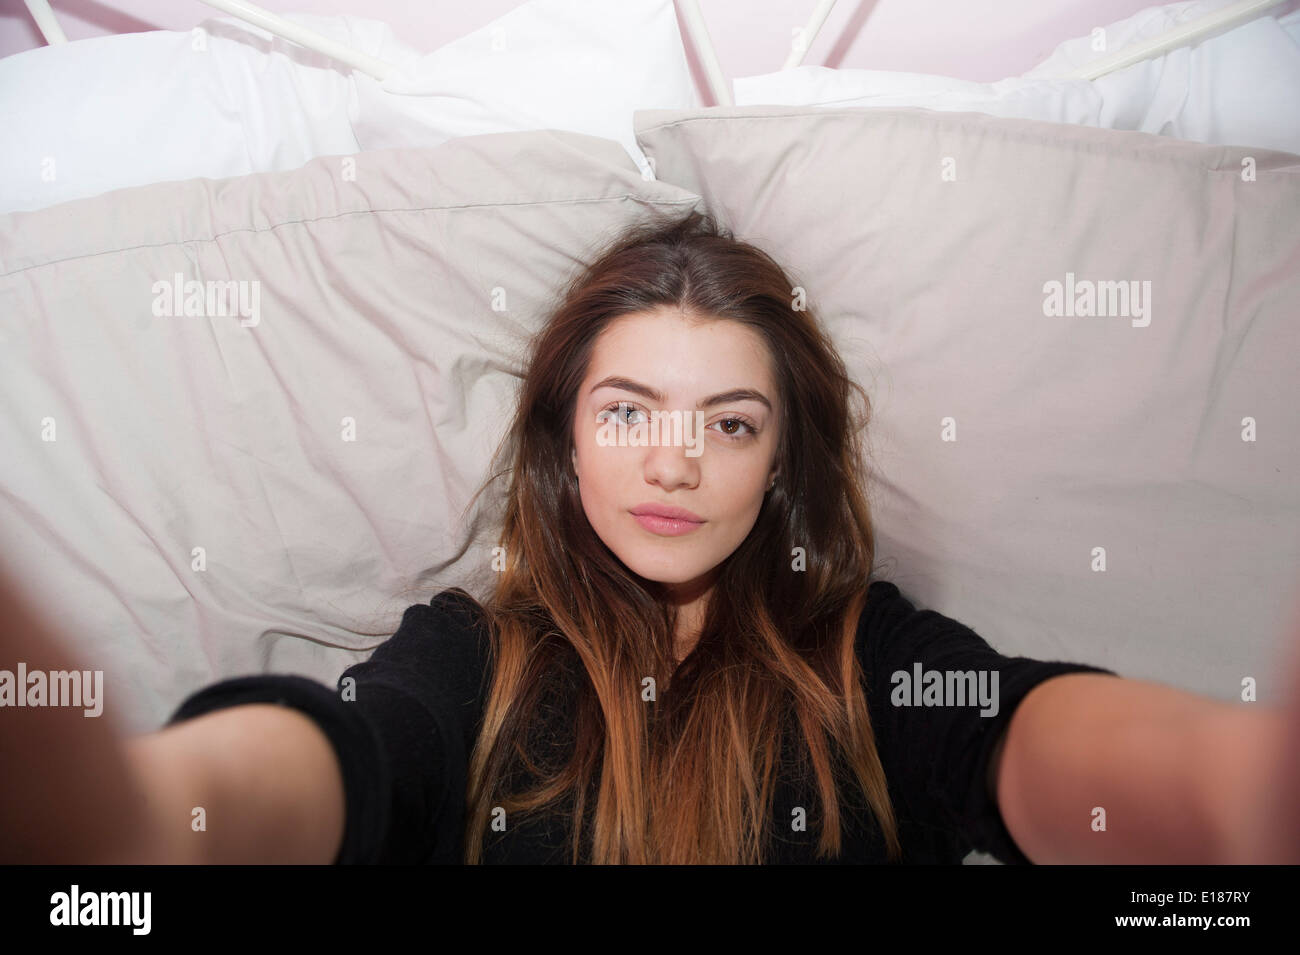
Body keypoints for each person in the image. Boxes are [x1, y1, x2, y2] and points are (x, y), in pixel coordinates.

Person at [2, 210, 1297, 865]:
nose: (676, 457)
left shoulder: (873, 659)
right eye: (629, 412)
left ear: (783, 466)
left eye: (732, 426)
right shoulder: (470, 660)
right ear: (565, 440)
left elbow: (1024, 740)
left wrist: (1237, 792)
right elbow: (344, 764)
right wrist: (141, 815)